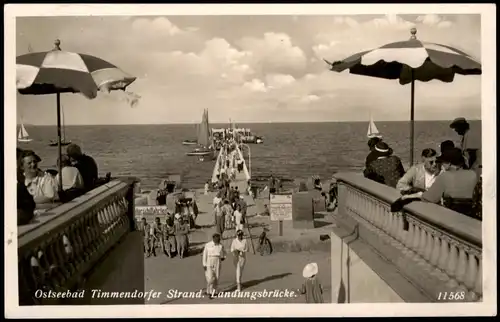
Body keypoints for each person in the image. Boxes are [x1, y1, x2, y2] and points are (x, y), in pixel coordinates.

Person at [422, 148, 478, 217]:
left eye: (443, 162)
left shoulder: (445, 176)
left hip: (451, 219)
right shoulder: (473, 174)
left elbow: (428, 198)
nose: (441, 164)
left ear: (449, 163)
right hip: (472, 218)